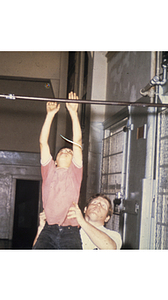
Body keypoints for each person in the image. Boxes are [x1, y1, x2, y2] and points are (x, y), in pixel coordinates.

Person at [33, 91, 83, 249]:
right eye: (62, 151)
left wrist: (73, 113)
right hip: (48, 229)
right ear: (54, 161)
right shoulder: (49, 171)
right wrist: (50, 115)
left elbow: (78, 141)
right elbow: (43, 143)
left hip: (70, 232)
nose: (66, 151)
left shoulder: (75, 173)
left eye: (70, 152)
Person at [34, 194, 122, 250]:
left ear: (107, 218)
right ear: (85, 209)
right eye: (94, 202)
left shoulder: (113, 235)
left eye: (103, 205)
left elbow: (110, 248)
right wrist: (42, 228)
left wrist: (81, 221)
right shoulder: (67, 231)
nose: (98, 205)